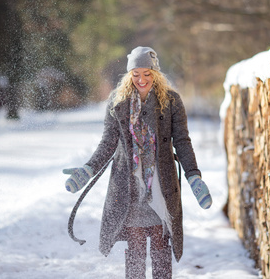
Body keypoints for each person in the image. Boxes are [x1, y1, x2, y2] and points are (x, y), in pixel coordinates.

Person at [63, 46, 212, 279]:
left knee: (162, 246)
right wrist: (88, 169)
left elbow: (182, 141)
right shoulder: (117, 100)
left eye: (147, 73)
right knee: (136, 246)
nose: (141, 79)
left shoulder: (171, 101)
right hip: (129, 188)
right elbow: (108, 142)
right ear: (128, 74)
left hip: (161, 188)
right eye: (135, 74)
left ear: (156, 73)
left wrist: (194, 176)